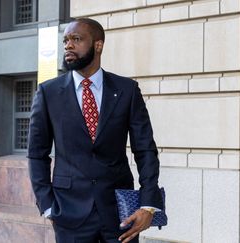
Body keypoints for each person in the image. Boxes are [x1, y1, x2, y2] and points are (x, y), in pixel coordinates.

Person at [28, 18, 163, 243]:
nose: (68, 46)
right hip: (69, 213)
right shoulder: (48, 93)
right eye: (65, 41)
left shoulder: (127, 90)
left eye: (76, 39)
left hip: (120, 214)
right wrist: (47, 205)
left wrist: (148, 204)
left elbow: (145, 149)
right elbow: (36, 154)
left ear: (98, 45)